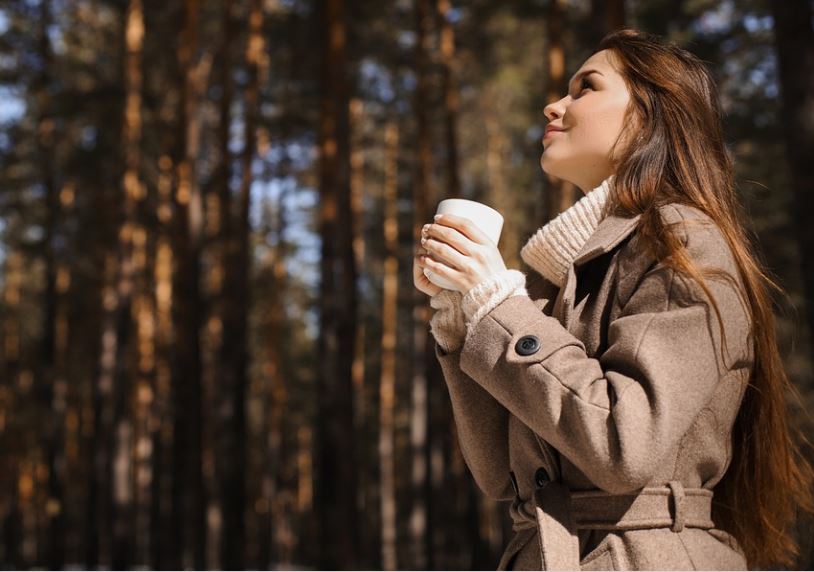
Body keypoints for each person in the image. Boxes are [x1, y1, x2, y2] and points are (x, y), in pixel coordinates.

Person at [413, 28, 814, 570]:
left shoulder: (685, 242)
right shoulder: (574, 282)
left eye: (586, 88)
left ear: (650, 117)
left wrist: (499, 305)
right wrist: (466, 315)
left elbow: (623, 443)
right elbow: (500, 476)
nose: (554, 105)